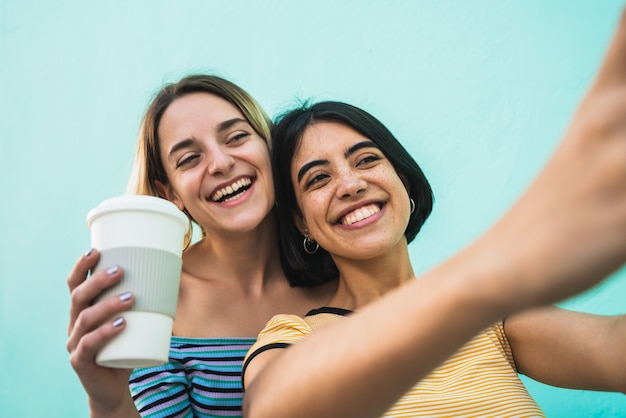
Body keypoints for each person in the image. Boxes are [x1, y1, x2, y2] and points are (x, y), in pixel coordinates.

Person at [241, 11, 626, 418]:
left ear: (405, 183)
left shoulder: (493, 321)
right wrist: (501, 266)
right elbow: (271, 408)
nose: (350, 184)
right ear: (302, 223)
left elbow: (612, 347)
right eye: (317, 179)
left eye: (367, 159)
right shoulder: (294, 335)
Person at [65, 75, 337, 417]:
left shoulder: (342, 270)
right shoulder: (155, 304)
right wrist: (109, 402)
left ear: (269, 147)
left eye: (237, 137)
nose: (221, 163)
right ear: (171, 194)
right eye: (189, 158)